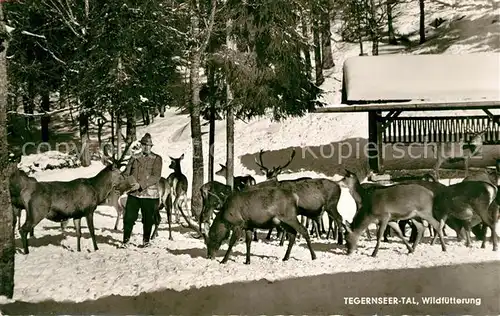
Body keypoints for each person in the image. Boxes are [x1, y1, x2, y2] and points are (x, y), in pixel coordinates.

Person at [120, 133, 163, 248]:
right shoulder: (134, 158)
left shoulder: (157, 159)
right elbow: (126, 173)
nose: (146, 147)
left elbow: (156, 176)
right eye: (144, 145)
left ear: (151, 146)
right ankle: (125, 240)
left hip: (149, 194)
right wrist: (128, 183)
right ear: (141, 145)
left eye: (148, 145)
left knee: (148, 219)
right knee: (128, 217)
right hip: (134, 194)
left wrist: (140, 185)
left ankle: (146, 241)